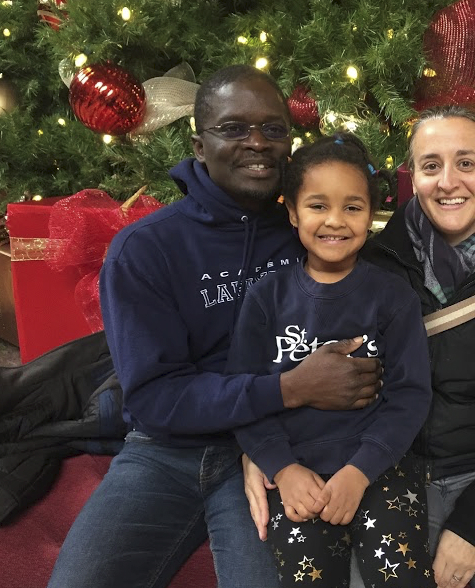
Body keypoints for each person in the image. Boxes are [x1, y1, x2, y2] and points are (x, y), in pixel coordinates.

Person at [48, 65, 382, 588]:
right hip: (165, 450)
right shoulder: (146, 249)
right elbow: (155, 399)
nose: (258, 142)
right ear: (199, 146)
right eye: (234, 128)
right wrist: (288, 389)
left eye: (273, 129)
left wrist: (273, 441)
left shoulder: (313, 233)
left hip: (283, 441)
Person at [245, 105, 475, 588]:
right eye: (432, 165)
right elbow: (276, 366)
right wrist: (264, 456)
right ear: (413, 177)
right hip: (380, 476)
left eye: (466, 163)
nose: (448, 181)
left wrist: (473, 525)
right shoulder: (362, 262)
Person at [226, 133, 434, 587]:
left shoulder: (392, 296)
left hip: (380, 467)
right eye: (318, 206)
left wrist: (360, 472)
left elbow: (411, 395)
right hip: (296, 473)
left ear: (371, 215)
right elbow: (245, 395)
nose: (335, 220)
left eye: (352, 207)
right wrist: (281, 466)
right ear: (292, 211)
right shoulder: (266, 298)